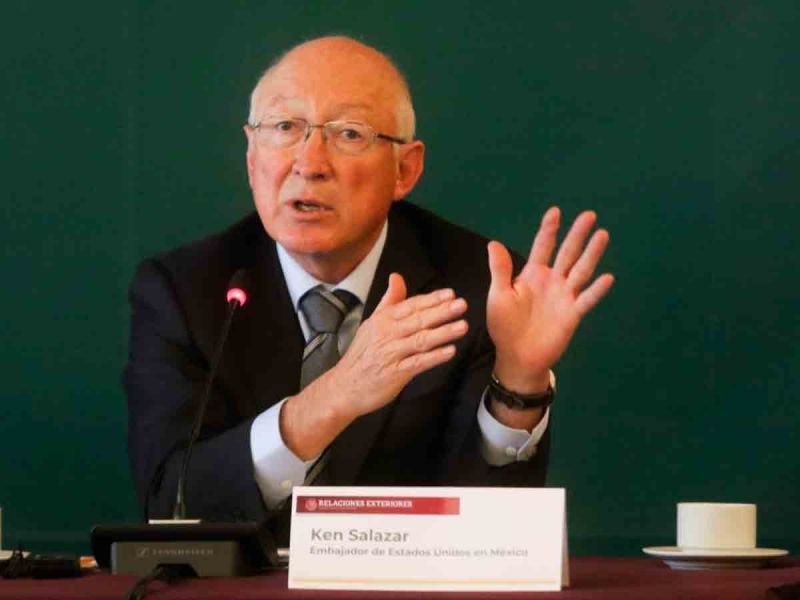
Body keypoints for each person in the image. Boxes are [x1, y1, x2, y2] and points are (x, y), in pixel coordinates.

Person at [124, 36, 614, 544]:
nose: (309, 163)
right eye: (285, 128)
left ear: (405, 170)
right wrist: (334, 397)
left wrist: (520, 380)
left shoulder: (479, 288)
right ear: (252, 159)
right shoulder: (184, 291)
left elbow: (490, 532)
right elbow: (170, 503)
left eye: (349, 134)